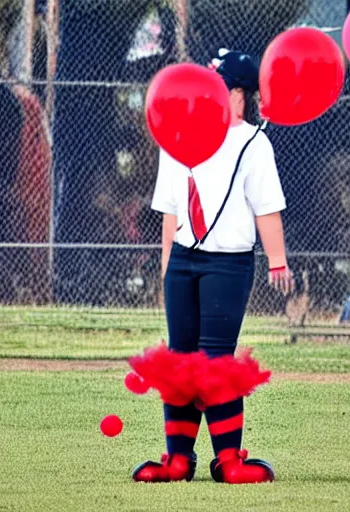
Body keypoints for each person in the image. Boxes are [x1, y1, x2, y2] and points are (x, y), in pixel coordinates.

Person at [126, 49, 293, 484]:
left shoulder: (255, 143)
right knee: (179, 359)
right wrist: (168, 263)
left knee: (216, 359)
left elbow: (267, 208)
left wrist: (277, 259)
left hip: (229, 262)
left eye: (219, 87)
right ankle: (178, 459)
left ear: (238, 95)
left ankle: (230, 459)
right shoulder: (176, 136)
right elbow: (168, 209)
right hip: (183, 259)